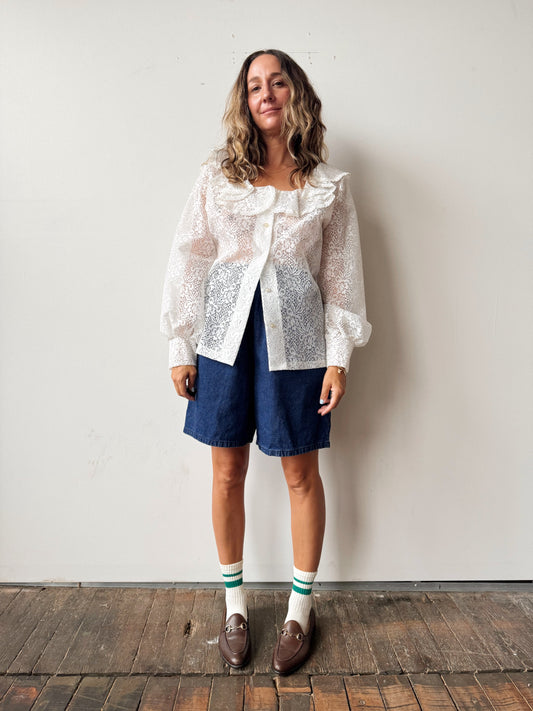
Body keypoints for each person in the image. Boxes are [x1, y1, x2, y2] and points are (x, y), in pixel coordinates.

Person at [160, 48, 372, 675]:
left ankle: (300, 611)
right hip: (223, 341)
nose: (266, 94)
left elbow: (341, 280)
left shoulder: (329, 187)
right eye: (254, 86)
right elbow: (190, 258)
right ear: (245, 101)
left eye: (277, 82)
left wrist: (338, 360)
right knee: (227, 471)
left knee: (301, 474)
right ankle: (234, 606)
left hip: (297, 344)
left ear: (294, 93)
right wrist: (180, 345)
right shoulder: (217, 177)